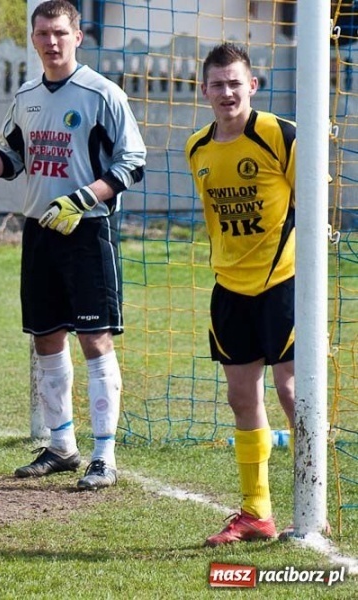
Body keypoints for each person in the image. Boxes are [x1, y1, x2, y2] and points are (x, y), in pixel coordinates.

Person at [0, 0, 145, 490]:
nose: (51, 42)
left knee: (94, 340)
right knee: (45, 337)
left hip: (87, 230)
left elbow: (131, 163)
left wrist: (83, 199)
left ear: (78, 36)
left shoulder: (102, 94)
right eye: (42, 34)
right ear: (34, 39)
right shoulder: (27, 96)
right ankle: (62, 446)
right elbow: (13, 162)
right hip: (40, 230)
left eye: (60, 32)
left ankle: (105, 456)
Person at [185, 42, 297, 546]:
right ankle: (257, 512)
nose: (227, 91)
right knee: (241, 396)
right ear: (203, 89)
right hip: (229, 289)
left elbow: (311, 202)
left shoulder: (279, 135)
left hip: (284, 283)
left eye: (236, 82)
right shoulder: (197, 149)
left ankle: (313, 500)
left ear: (252, 85)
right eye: (217, 83)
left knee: (293, 393)